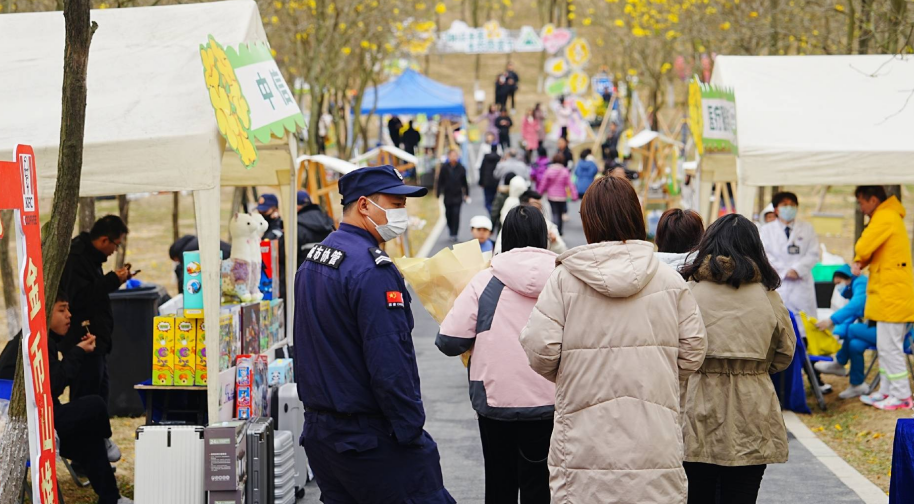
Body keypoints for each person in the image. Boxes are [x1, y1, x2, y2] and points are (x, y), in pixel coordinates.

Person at [519, 175, 706, 503]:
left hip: (584, 438)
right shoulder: (669, 280)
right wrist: (658, 371)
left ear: (589, 222)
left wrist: (574, 371)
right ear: (636, 216)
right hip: (653, 434)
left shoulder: (565, 280)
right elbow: (693, 350)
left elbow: (540, 349)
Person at [292, 165, 455, 504]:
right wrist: (410, 430)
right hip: (368, 437)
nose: (402, 213)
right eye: (395, 204)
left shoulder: (314, 261)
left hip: (323, 435)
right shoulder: (370, 270)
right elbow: (389, 362)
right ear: (364, 205)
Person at [437, 206, 557, 504]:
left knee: (500, 483)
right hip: (551, 400)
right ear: (544, 236)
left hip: (494, 399)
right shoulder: (562, 281)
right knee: (540, 484)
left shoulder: (485, 281)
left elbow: (449, 340)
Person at [681, 214, 795, 504]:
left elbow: (675, 350)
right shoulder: (768, 297)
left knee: (697, 494)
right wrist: (754, 367)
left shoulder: (688, 291)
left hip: (697, 407)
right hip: (753, 408)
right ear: (755, 248)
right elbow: (784, 354)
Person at [0, 292, 131, 504]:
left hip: (33, 420)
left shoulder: (35, 339)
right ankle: (105, 441)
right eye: (62, 309)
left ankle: (111, 499)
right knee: (95, 404)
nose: (69, 315)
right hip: (24, 426)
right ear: (46, 313)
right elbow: (52, 387)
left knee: (88, 438)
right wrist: (77, 352)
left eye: (68, 309)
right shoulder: (35, 343)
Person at [852, 185, 914, 411]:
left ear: (873, 200)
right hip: (889, 296)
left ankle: (901, 396)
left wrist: (859, 258)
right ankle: (887, 391)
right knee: (885, 346)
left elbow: (864, 244)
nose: (862, 209)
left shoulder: (885, 216)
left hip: (892, 297)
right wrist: (862, 260)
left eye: (862, 203)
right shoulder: (889, 215)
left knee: (890, 347)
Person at [63, 214, 132, 401]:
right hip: (83, 340)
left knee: (99, 397)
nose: (115, 250)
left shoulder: (92, 258)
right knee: (86, 398)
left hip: (97, 343)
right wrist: (111, 280)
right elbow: (80, 298)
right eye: (116, 245)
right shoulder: (76, 258)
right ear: (104, 240)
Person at [814, 268, 877, 399]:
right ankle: (857, 385)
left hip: (887, 331)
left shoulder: (861, 283)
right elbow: (852, 314)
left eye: (839, 283)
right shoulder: (854, 286)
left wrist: (831, 320)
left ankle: (839, 362)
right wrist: (836, 334)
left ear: (847, 277)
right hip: (875, 329)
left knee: (852, 329)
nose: (839, 287)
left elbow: (855, 305)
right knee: (854, 345)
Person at [759, 191, 819, 320]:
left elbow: (813, 253)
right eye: (784, 205)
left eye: (792, 205)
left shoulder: (807, 228)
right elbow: (764, 254)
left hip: (801, 282)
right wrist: (785, 271)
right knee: (780, 323)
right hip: (778, 281)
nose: (789, 208)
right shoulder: (766, 230)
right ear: (776, 209)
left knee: (803, 327)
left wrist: (797, 269)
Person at [536, 153, 576, 235]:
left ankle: (555, 230)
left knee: (555, 213)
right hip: (562, 196)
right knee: (560, 213)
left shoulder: (549, 170)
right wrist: (574, 195)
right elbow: (570, 184)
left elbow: (544, 183)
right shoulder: (565, 171)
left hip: (551, 196)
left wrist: (539, 193)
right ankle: (560, 230)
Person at [296, 189, 337, 266]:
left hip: (306, 274)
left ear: (297, 206)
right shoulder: (327, 220)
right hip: (330, 273)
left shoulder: (297, 226)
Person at [435, 149, 469, 239]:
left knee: (456, 214)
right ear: (448, 157)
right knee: (448, 214)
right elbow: (440, 181)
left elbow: (464, 182)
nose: (453, 157)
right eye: (452, 155)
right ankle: (450, 229)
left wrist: (466, 193)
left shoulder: (461, 168)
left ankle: (455, 233)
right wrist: (438, 193)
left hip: (457, 195)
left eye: (455, 155)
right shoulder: (444, 168)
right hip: (448, 195)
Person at [479, 146, 502, 214]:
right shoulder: (499, 159)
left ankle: (492, 214)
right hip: (497, 183)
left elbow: (482, 171)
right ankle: (495, 214)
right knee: (497, 200)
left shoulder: (485, 158)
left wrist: (481, 182)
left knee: (488, 202)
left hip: (487, 183)